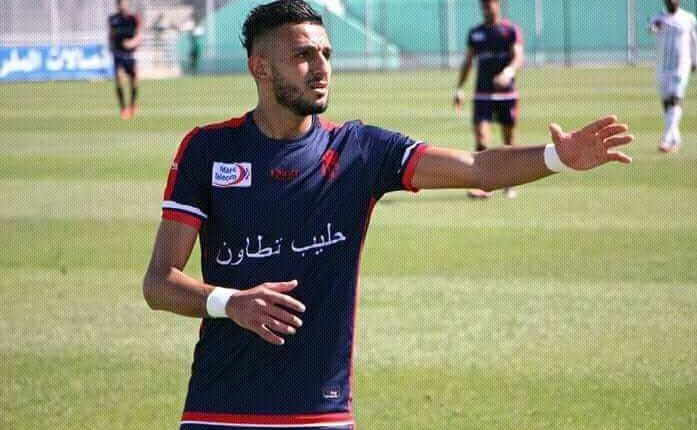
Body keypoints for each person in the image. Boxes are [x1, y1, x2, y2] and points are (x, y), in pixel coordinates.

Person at [142, 1, 633, 429]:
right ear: (261, 68)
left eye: (326, 54)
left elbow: (477, 168)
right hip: (219, 410)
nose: (321, 68)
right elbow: (159, 282)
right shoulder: (208, 150)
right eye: (303, 55)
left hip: (320, 414)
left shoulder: (359, 151)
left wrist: (556, 157)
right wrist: (230, 302)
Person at [453, 0, 524, 199]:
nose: (486, 7)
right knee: (481, 139)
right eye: (483, 4)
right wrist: (459, 88)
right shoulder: (475, 33)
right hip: (482, 95)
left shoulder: (510, 31)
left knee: (508, 142)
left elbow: (518, 57)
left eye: (489, 3)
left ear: (498, 4)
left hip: (506, 95)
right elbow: (468, 62)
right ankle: (483, 185)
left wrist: (507, 73)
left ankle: (509, 183)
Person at [650, 0, 697, 153]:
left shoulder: (688, 18)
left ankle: (666, 139)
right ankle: (675, 139)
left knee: (674, 99)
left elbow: (693, 39)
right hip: (662, 68)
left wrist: (695, 60)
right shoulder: (658, 17)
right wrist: (655, 27)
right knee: (667, 104)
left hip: (681, 66)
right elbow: (652, 28)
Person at [108, 0, 142, 120]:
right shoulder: (113, 19)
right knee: (119, 78)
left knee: (134, 81)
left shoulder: (133, 18)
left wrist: (132, 43)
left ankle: (132, 105)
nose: (123, 5)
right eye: (121, 3)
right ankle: (123, 108)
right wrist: (111, 47)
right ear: (117, 5)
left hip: (130, 55)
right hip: (118, 54)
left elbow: (139, 35)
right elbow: (111, 35)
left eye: (125, 3)